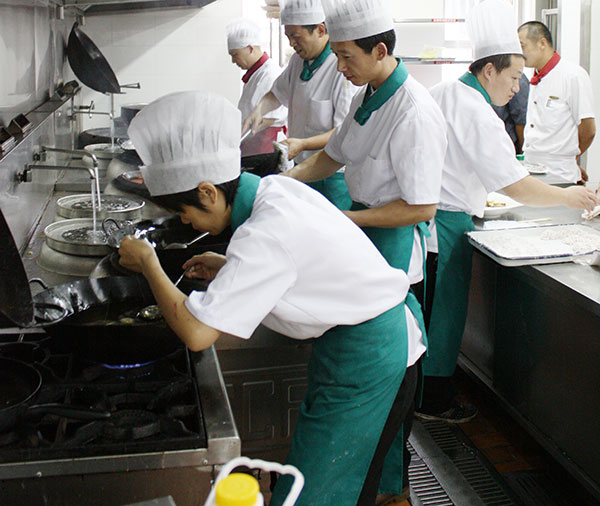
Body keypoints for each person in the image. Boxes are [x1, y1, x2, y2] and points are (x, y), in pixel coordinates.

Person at [119, 90, 426, 506]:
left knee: (316, 496)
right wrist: (229, 265)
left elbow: (196, 333)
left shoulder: (263, 233)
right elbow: (294, 262)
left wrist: (149, 264)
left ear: (208, 192)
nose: (186, 223)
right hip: (365, 345)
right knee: (332, 485)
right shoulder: (273, 191)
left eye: (183, 213)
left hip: (370, 356)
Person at [418, 0, 598, 424]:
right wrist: (570, 197)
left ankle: (425, 392)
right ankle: (433, 401)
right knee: (443, 316)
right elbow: (513, 184)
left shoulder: (445, 91)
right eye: (514, 77)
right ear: (489, 71)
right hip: (447, 223)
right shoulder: (477, 111)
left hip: (428, 221)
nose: (518, 88)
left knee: (430, 314)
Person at [243, 0, 359, 210]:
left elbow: (343, 131)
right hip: (303, 167)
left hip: (332, 176)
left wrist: (304, 144)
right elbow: (276, 93)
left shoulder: (341, 68)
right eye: (288, 37)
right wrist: (259, 110)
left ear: (320, 30)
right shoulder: (298, 61)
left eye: (296, 37)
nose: (292, 43)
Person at [518, 20, 596, 184]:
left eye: (522, 46)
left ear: (542, 43)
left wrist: (569, 159)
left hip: (560, 173)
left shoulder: (572, 75)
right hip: (531, 169)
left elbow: (588, 130)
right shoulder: (537, 77)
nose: (520, 52)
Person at [226, 18, 287, 157]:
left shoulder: (270, 74)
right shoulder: (256, 73)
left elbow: (270, 119)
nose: (233, 61)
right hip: (254, 145)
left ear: (250, 49)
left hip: (266, 147)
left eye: (235, 55)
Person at [491, 73, 529, 154]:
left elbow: (521, 121)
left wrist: (523, 153)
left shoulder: (517, 79)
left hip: (507, 147)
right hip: (494, 146)